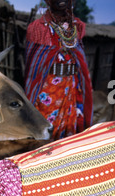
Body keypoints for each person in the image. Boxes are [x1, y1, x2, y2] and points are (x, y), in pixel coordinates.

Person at [25, 0, 93, 140]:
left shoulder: (77, 27)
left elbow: (80, 60)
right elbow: (34, 67)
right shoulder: (39, 28)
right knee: (44, 132)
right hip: (47, 90)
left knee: (69, 132)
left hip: (70, 88)